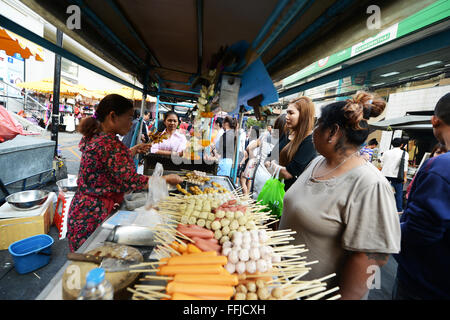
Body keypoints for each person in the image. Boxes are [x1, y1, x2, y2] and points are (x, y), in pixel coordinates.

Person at [279, 91, 401, 300]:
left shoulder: (370, 184)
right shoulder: (318, 162)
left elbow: (372, 257)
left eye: (318, 125)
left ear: (332, 132)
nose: (314, 130)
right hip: (281, 286)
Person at [67, 94, 183, 252]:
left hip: (83, 209)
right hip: (93, 214)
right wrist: (165, 180)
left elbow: (107, 164)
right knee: (91, 260)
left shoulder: (99, 137)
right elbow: (131, 180)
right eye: (129, 118)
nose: (131, 123)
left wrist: (132, 151)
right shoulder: (108, 143)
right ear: (112, 116)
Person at [393, 93, 450, 300]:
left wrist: (382, 229)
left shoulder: (442, 167)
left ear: (434, 120)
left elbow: (419, 232)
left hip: (425, 285)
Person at [264, 96, 317, 191]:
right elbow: (268, 158)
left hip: (293, 195)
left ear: (303, 116)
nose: (286, 117)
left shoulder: (310, 141)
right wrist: (277, 168)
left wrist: (273, 166)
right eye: (287, 112)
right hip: (276, 189)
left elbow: (287, 174)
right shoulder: (287, 134)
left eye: (291, 113)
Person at [380, 138, 409, 213]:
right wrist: (405, 177)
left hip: (384, 175)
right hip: (397, 176)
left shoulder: (386, 152)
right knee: (398, 194)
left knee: (383, 192)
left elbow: (381, 162)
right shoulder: (404, 153)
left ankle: (382, 208)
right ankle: (398, 210)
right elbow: (404, 166)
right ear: (401, 145)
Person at [241, 126, 261, 194]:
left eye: (250, 130)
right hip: (255, 162)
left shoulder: (253, 141)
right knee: (249, 180)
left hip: (250, 161)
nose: (249, 132)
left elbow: (248, 149)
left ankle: (245, 195)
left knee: (242, 179)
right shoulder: (258, 141)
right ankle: (247, 196)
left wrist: (250, 157)